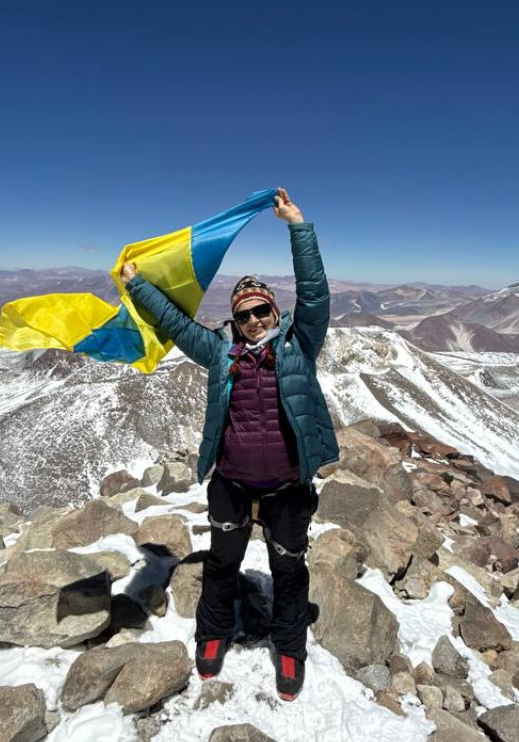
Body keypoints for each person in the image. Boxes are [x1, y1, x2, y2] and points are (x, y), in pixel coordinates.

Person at [120, 188, 339, 701]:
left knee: (289, 569)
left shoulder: (299, 343)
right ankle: (213, 635)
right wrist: (137, 286)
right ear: (235, 321)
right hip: (233, 484)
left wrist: (298, 226)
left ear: (275, 310)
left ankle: (289, 648)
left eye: (263, 310)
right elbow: (174, 324)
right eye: (245, 315)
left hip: (288, 486)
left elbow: (316, 294)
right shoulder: (221, 352)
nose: (256, 320)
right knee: (222, 565)